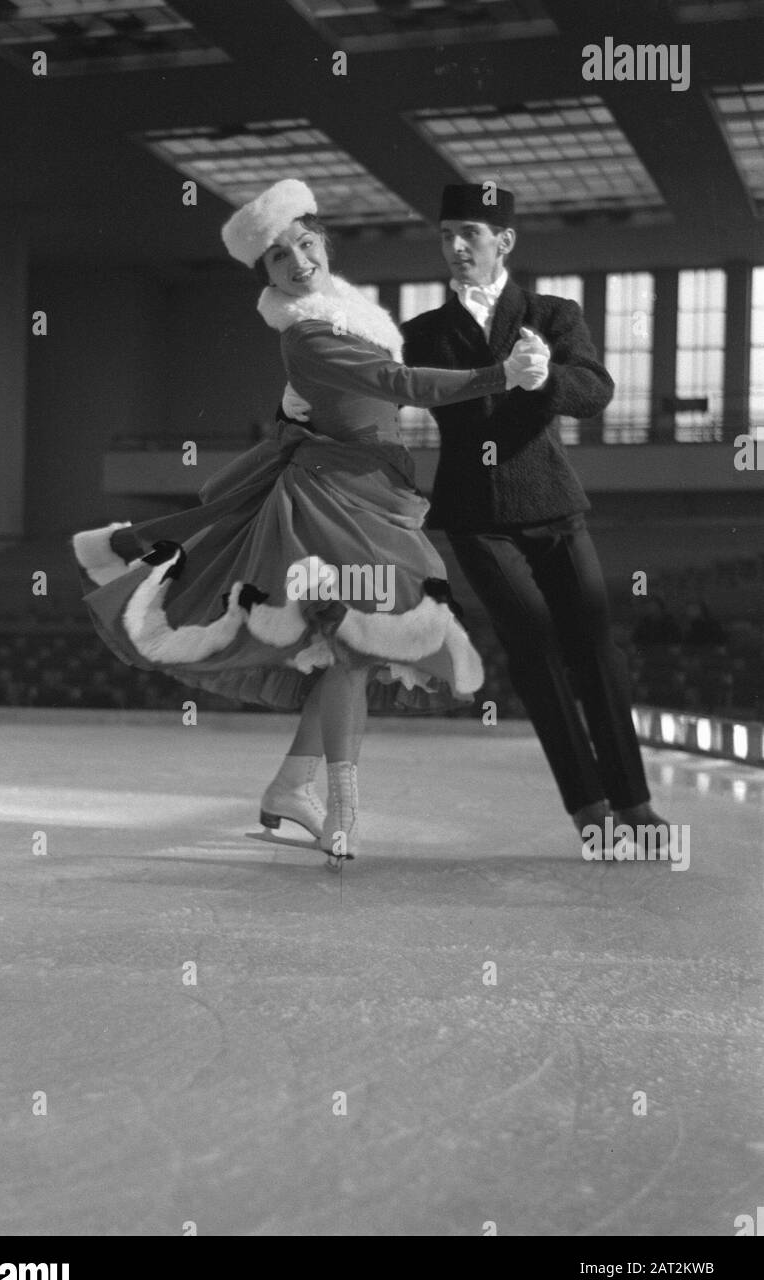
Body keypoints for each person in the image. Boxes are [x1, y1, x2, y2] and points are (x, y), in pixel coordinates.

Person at [71, 179, 545, 869]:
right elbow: (402, 386)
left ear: (323, 240)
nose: (296, 261)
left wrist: (301, 410)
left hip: (373, 494)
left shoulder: (344, 315)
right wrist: (498, 374)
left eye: (304, 242)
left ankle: (293, 784)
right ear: (264, 275)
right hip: (332, 506)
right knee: (353, 647)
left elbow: (357, 399)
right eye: (277, 258)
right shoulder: (310, 335)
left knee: (344, 655)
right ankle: (344, 815)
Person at [285, 183, 669, 857]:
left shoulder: (551, 314)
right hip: (475, 517)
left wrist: (548, 376)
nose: (456, 247)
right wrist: (308, 396)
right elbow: (376, 384)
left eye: (470, 234)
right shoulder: (423, 333)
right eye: (446, 236)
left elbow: (596, 391)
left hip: (555, 507)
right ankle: (591, 809)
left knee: (595, 648)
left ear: (504, 242)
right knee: (535, 649)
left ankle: (635, 803)